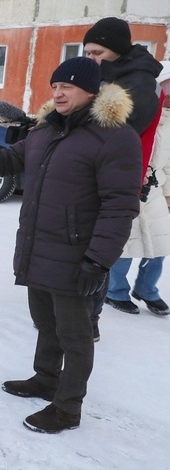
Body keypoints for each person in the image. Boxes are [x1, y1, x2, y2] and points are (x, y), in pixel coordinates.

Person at [0, 57, 142, 433]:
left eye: (68, 86)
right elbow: (9, 160)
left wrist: (97, 261)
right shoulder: (46, 131)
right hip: (39, 246)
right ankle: (46, 379)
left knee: (75, 336)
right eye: (55, 86)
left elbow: (120, 206)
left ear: (92, 91)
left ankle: (67, 408)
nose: (58, 93)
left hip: (78, 255)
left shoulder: (115, 138)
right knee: (45, 323)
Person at [82, 17, 164, 335]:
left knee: (99, 251)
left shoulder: (139, 82)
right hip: (96, 171)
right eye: (86, 52)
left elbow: (115, 134)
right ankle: (77, 313)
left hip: (117, 176)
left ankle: (90, 319)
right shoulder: (108, 73)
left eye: (96, 52)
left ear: (116, 49)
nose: (90, 58)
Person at [105, 64, 170, 317]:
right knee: (126, 245)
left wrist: (167, 193)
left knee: (161, 245)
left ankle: (147, 289)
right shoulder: (142, 115)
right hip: (130, 188)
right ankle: (116, 291)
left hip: (156, 192)